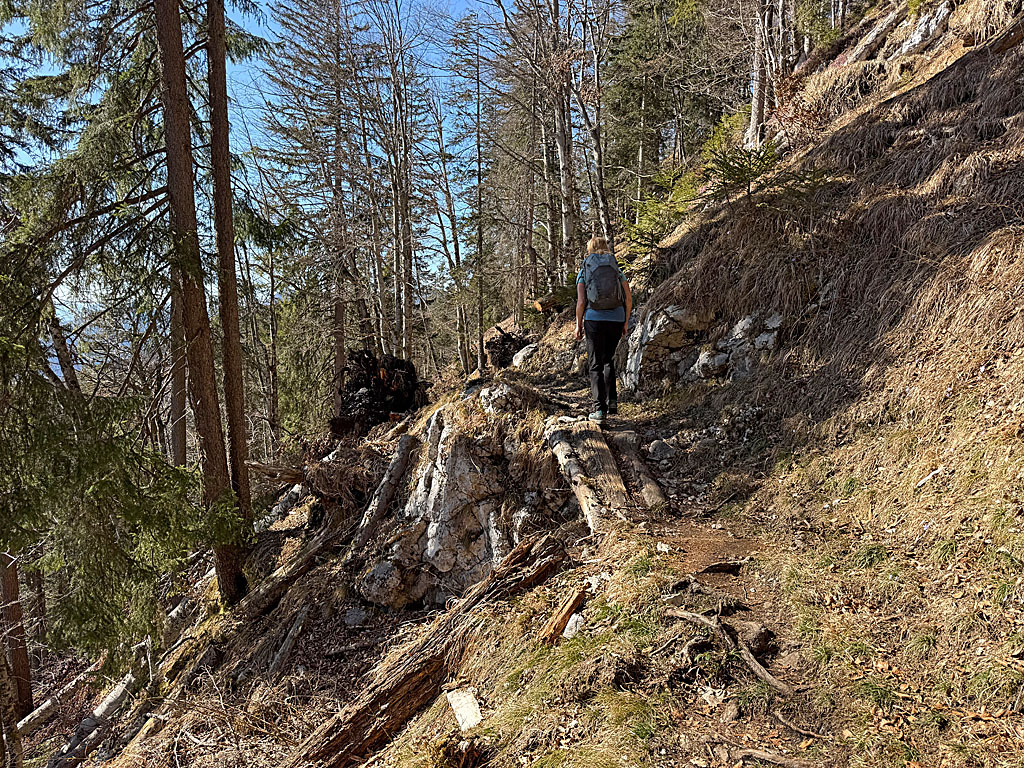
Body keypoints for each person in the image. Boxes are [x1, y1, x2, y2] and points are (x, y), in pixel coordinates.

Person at [575, 235, 632, 423]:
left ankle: (599, 411)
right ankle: (612, 402)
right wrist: (625, 322)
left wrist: (578, 325)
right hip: (616, 319)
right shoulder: (616, 268)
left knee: (595, 364)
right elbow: (628, 297)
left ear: (589, 249)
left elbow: (581, 302)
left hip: (594, 320)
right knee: (608, 360)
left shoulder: (585, 269)